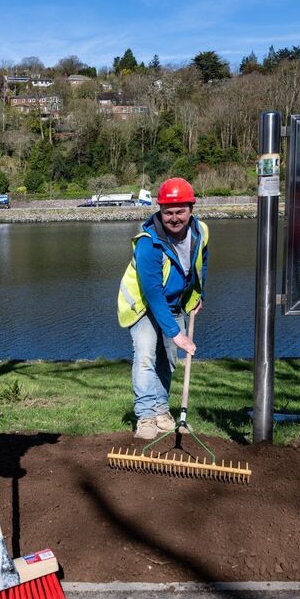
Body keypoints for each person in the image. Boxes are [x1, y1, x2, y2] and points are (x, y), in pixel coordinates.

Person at [116, 177, 209, 439]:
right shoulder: (149, 243)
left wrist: (199, 293)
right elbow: (153, 293)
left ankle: (161, 411)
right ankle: (145, 417)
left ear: (191, 208)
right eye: (168, 212)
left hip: (175, 303)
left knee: (168, 360)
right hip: (144, 306)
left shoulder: (200, 231)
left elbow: (202, 262)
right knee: (146, 358)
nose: (174, 218)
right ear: (160, 210)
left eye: (180, 211)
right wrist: (176, 334)